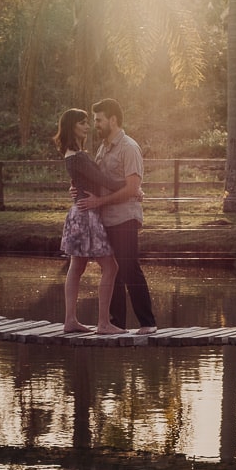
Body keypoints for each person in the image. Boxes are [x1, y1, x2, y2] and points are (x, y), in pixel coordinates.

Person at [76, 98, 157, 332]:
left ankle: (148, 322)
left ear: (113, 120)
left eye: (99, 120)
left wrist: (100, 201)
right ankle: (115, 323)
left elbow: (132, 188)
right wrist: (79, 190)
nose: (96, 125)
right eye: (94, 120)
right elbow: (102, 181)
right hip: (106, 219)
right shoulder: (104, 147)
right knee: (112, 270)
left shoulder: (129, 147)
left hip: (124, 218)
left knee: (129, 266)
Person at [53, 108, 126, 336]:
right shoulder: (79, 157)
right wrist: (134, 186)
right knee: (110, 266)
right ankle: (103, 323)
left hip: (79, 212)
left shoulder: (72, 154)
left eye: (88, 122)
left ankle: (70, 321)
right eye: (83, 123)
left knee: (77, 266)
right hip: (86, 215)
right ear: (72, 126)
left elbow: (84, 181)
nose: (88, 126)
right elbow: (105, 180)